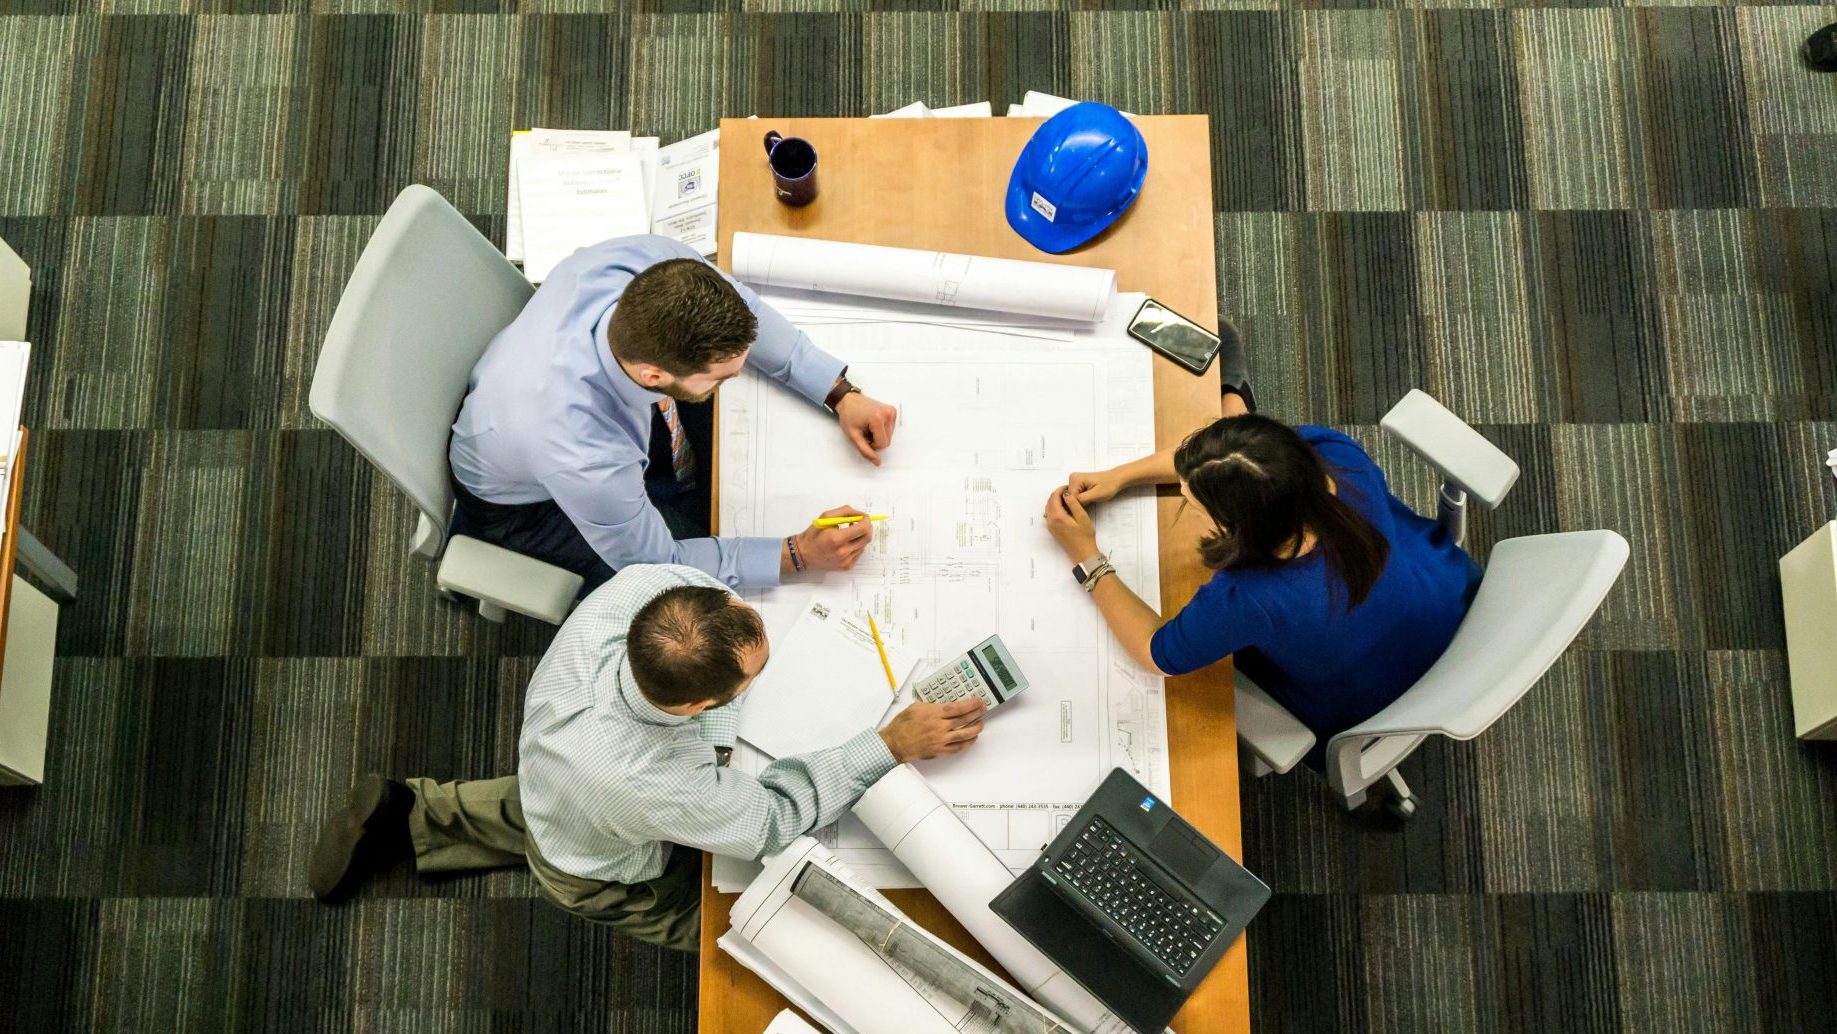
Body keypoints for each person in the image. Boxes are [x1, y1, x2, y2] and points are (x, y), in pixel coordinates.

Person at [307, 564, 987, 949]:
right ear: (697, 705)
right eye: (751, 678)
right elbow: (771, 821)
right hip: (597, 864)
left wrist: (718, 725)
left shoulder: (640, 593)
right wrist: (887, 744)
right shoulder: (654, 782)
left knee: (552, 802)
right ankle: (747, 938)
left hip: (559, 769)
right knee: (738, 924)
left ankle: (414, 813)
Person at [449, 235, 901, 591]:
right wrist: (796, 554)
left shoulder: (650, 262)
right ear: (653, 376)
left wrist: (838, 392)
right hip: (525, 506)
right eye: (722, 376)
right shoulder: (583, 453)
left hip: (532, 400)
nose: (738, 378)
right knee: (690, 599)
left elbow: (748, 311)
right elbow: (658, 564)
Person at [1040, 405, 1480, 768]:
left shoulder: (1250, 598)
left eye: (1191, 501)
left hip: (1370, 699)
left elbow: (1159, 654)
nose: (1183, 497)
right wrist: (1121, 475)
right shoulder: (1331, 453)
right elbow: (1222, 460)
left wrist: (1086, 557)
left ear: (1237, 526)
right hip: (1449, 598)